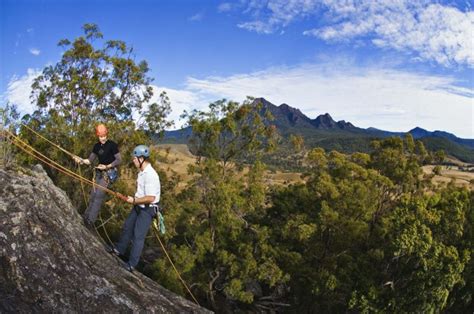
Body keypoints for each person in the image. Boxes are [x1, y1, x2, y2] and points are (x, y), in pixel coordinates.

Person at [110, 145, 161, 272]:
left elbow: (150, 197)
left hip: (147, 209)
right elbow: (142, 193)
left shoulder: (150, 175)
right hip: (138, 205)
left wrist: (134, 200)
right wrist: (133, 199)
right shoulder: (142, 172)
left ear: (141, 159)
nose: (133, 160)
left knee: (138, 236)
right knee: (128, 227)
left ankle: (131, 264)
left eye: (135, 158)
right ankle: (119, 249)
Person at [73, 124, 121, 227]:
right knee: (93, 195)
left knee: (98, 196)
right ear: (98, 135)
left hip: (108, 173)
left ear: (106, 134)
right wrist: (80, 160)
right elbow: (90, 160)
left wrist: (107, 166)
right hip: (99, 172)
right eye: (100, 136)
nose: (102, 138)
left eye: (104, 136)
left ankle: (90, 221)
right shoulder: (96, 146)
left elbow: (118, 160)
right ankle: (86, 216)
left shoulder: (112, 145)